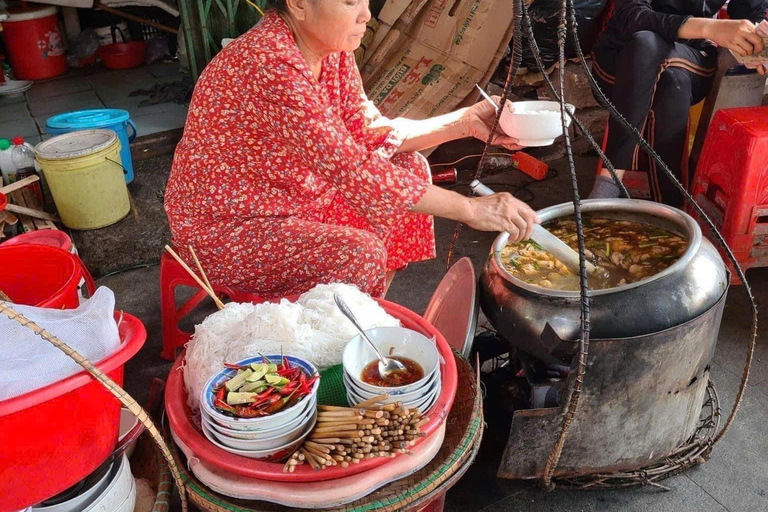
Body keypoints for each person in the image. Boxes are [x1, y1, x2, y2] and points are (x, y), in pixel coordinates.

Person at [164, 0, 539, 300]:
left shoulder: (330, 49)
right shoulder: (268, 65)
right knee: (358, 252)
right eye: (349, 2)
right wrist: (471, 208)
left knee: (408, 168)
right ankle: (335, 346)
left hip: (292, 198)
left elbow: (369, 133)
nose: (366, 14)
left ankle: (363, 310)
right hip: (227, 227)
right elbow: (354, 170)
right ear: (297, 4)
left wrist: (467, 122)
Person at [588, 0, 768, 206]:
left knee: (671, 75)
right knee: (668, 77)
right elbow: (632, 16)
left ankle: (606, 188)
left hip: (691, 55)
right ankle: (669, 208)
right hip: (621, 60)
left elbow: (752, 14)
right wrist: (709, 28)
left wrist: (758, 45)